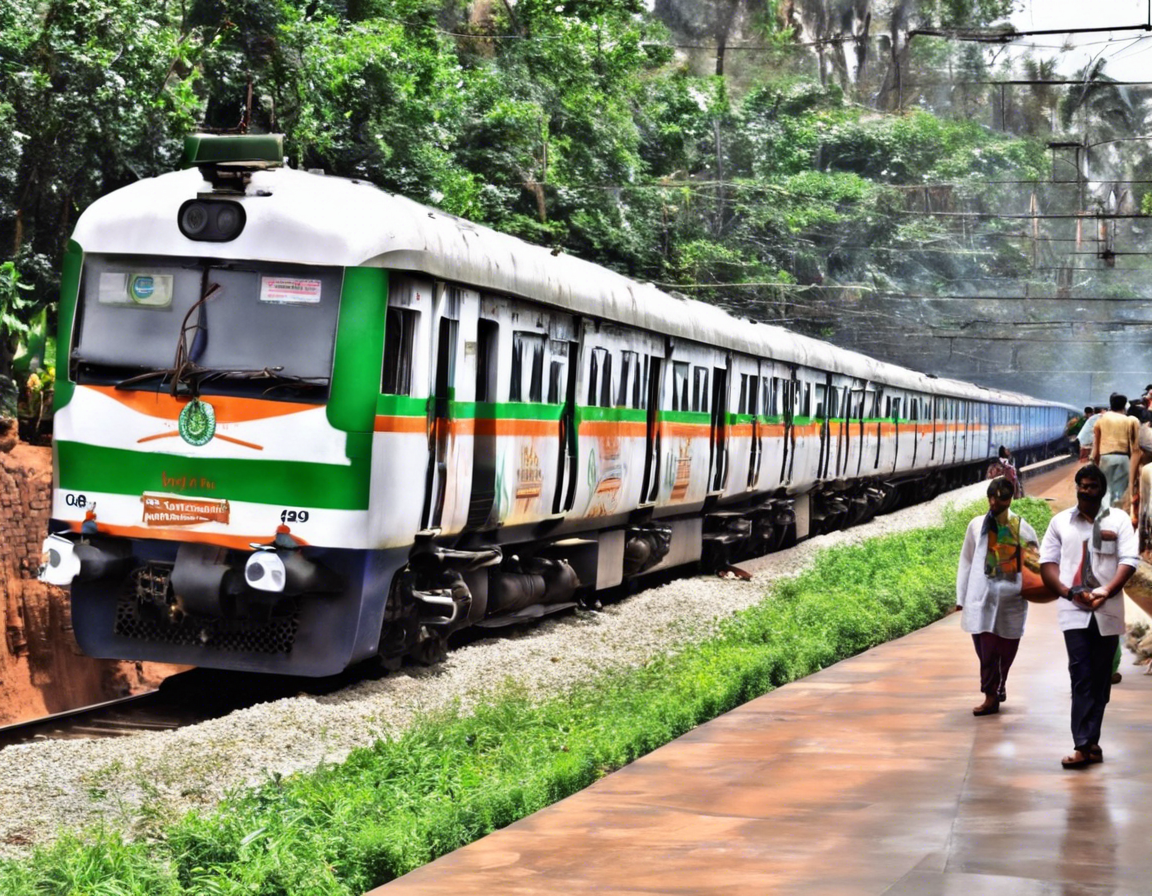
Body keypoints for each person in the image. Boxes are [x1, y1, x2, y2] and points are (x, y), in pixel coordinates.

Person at [1039, 464, 1137, 769]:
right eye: (1081, 485)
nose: (1086, 491)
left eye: (1092, 486)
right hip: (1073, 612)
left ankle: (1092, 740)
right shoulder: (1060, 523)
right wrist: (1069, 593)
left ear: (1102, 490)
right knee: (1080, 675)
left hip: (1107, 611)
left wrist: (1106, 591)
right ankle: (1082, 745)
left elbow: (1129, 561)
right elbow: (1047, 565)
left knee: (1100, 681)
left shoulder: (1119, 520)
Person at [956, 477, 1039, 716]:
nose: (994, 502)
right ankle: (990, 694)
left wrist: (1032, 589)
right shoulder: (976, 526)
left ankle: (1000, 683)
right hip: (980, 598)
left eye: (1000, 498)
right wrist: (961, 597)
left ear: (1010, 498)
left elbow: (1034, 565)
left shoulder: (1022, 528)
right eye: (991, 497)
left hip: (1010, 602)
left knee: (1007, 648)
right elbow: (967, 561)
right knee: (985, 650)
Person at [1092, 394, 1139, 508]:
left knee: (1105, 489)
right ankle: (1114, 514)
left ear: (1110, 404)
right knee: (1119, 492)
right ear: (1124, 406)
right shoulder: (1130, 420)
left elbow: (1096, 445)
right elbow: (1135, 448)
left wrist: (1095, 462)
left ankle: (1104, 515)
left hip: (1105, 457)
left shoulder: (1101, 420)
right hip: (1123, 458)